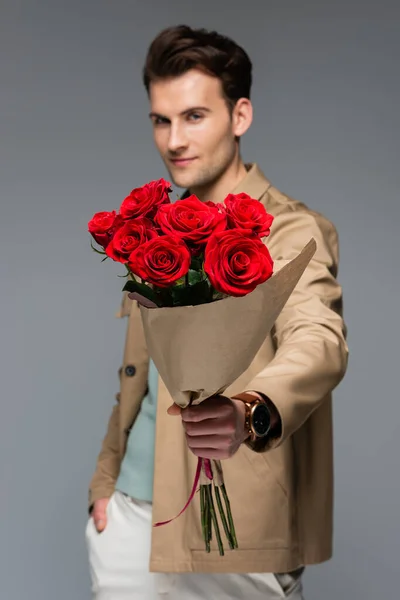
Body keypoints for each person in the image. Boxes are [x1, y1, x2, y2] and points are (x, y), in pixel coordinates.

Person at [85, 24, 349, 600]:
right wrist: (105, 484)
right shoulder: (154, 233)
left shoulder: (291, 230)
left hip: (232, 534)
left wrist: (251, 410)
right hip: (130, 523)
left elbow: (319, 340)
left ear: (241, 116)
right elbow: (140, 383)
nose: (174, 139)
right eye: (161, 119)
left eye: (195, 116)